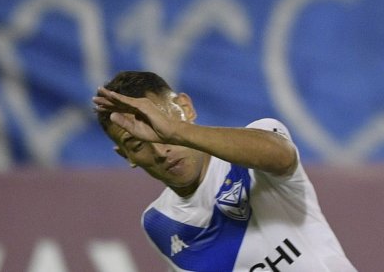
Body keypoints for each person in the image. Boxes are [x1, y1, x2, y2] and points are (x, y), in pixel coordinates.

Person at [93, 70, 356, 271]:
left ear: (185, 108)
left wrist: (177, 132)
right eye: (138, 144)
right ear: (126, 156)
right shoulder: (158, 223)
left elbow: (282, 157)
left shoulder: (256, 148)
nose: (161, 151)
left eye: (161, 128)